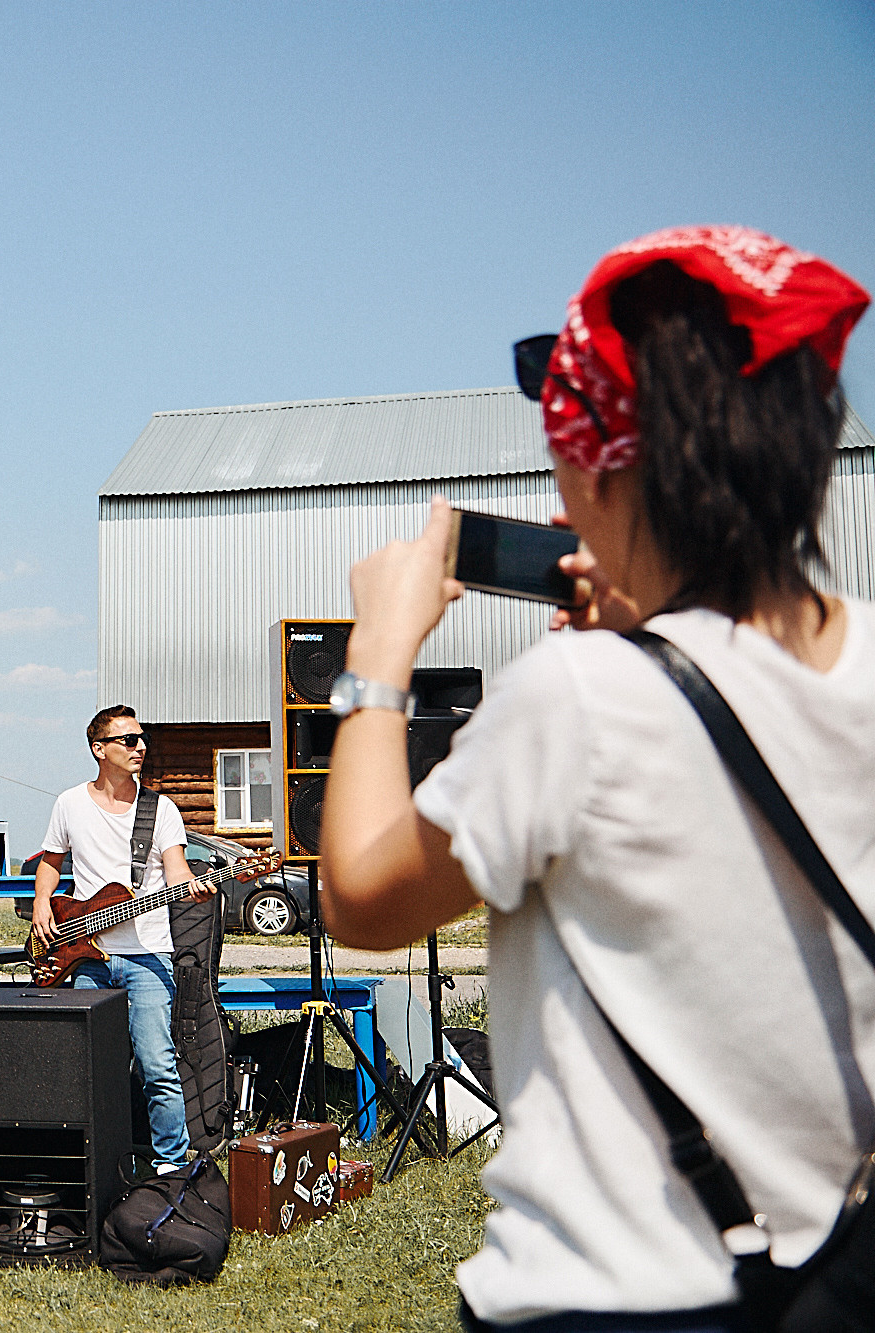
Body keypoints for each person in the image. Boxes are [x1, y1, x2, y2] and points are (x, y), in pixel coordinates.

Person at [321, 227, 871, 1330]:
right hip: (827, 1277)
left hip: (607, 1296)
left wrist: (377, 657)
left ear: (613, 466)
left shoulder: (579, 696)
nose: (562, 503)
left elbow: (360, 898)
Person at [32, 704, 210, 1176]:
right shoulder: (70, 803)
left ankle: (172, 1167)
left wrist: (194, 885)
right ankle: (99, 1166)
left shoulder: (160, 809)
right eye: (129, 740)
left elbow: (176, 869)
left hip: (147, 955)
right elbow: (51, 861)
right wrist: (42, 903)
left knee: (158, 1066)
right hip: (86, 959)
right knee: (92, 1069)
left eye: (142, 738)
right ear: (99, 749)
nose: (140, 747)